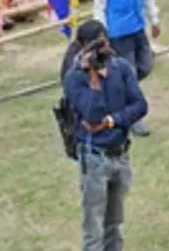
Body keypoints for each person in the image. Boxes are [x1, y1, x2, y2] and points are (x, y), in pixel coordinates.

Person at [62, 19, 147, 251]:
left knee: (114, 224)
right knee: (94, 229)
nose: (103, 48)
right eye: (96, 44)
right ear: (83, 47)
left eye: (105, 41)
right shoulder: (74, 78)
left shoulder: (121, 68)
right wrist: (93, 77)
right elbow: (92, 113)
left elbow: (140, 106)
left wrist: (112, 121)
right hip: (94, 158)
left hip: (120, 153)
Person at [90, 0, 160, 136]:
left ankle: (118, 95)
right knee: (129, 73)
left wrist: (154, 18)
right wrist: (102, 35)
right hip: (118, 32)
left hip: (137, 25)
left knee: (146, 65)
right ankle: (133, 117)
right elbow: (99, 5)